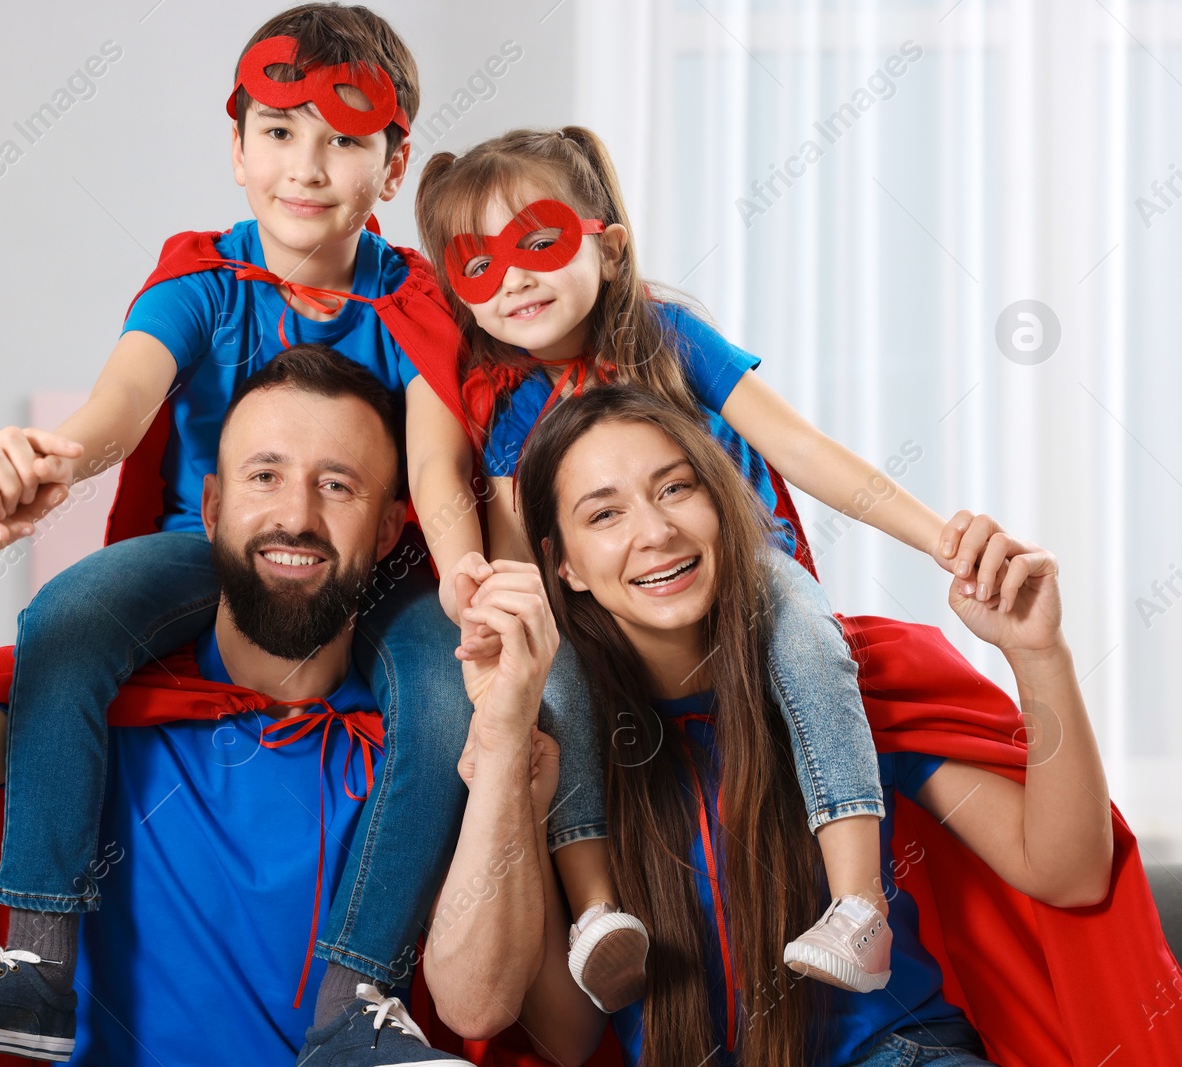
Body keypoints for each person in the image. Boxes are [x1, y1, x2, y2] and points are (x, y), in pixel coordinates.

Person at [0, 4, 486, 1056]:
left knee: (441, 694)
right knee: (65, 615)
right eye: (279, 132)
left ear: (394, 161)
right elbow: (118, 408)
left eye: (343, 139)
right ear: (235, 148)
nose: (307, 165)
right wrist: (51, 458)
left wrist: (465, 575)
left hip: (379, 562)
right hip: (209, 549)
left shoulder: (420, 302)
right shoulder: (200, 280)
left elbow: (434, 461)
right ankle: (38, 961)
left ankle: (355, 1004)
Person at [410, 126, 1018, 1003]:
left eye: (537, 244)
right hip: (612, 619)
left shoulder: (668, 340)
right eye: (478, 265)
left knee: (809, 636)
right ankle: (596, 909)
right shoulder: (509, 405)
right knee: (560, 689)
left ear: (608, 249)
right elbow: (524, 547)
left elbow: (799, 447)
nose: (513, 278)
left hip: (746, 567)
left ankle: (857, 902)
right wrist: (511, 634)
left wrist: (936, 536)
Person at [0, 346, 497, 1066]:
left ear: (388, 528)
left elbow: (491, 1006)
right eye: (265, 475)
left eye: (338, 485)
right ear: (212, 508)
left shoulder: (428, 757)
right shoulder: (86, 717)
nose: (296, 515)